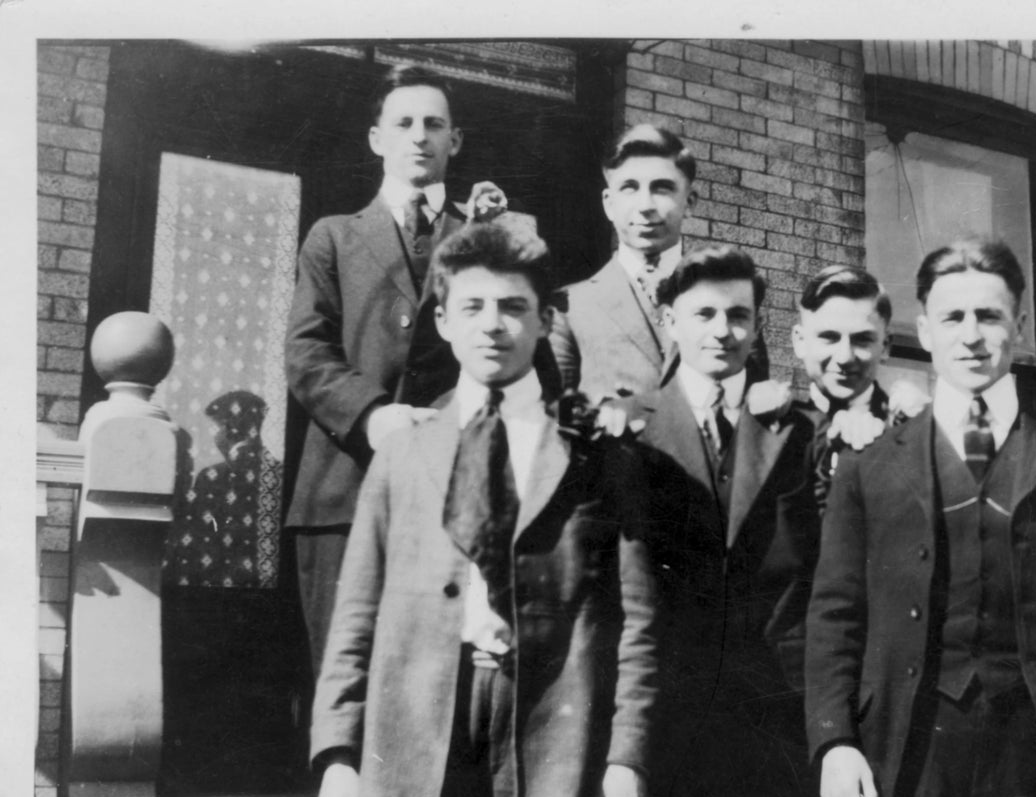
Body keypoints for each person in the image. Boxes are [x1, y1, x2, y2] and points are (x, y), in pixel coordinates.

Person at [310, 216, 659, 797]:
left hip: (552, 734)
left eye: (513, 307)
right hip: (414, 735)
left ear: (546, 321)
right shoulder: (404, 452)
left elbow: (635, 619)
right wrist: (339, 753)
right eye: (472, 306)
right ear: (443, 322)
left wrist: (626, 755)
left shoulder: (594, 456)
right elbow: (357, 613)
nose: (493, 325)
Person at [805, 236, 1036, 797]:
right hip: (907, 755)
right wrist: (835, 744)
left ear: (1018, 325)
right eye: (952, 317)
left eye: (988, 316)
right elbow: (836, 614)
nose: (971, 335)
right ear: (924, 330)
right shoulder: (870, 464)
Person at [285, 63, 508, 676]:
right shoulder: (332, 238)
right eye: (403, 123)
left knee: (432, 682)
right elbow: (306, 353)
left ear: (454, 141)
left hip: (451, 485)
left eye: (434, 124)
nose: (419, 136)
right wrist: (374, 417)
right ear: (377, 138)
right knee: (344, 675)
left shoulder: (482, 240)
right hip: (343, 489)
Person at [631, 246, 822, 797]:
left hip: (774, 714)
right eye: (704, 315)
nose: (723, 331)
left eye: (738, 316)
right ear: (670, 322)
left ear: (758, 325)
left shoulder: (798, 431)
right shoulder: (630, 429)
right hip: (668, 713)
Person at [549, 123, 764, 401]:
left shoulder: (733, 304)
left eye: (662, 189)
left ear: (689, 203)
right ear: (608, 204)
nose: (645, 205)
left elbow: (756, 422)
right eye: (629, 188)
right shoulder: (569, 309)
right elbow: (558, 423)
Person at [790, 263, 924, 506]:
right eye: (829, 337)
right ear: (800, 341)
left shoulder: (914, 432)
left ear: (885, 346)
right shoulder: (776, 432)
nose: (844, 357)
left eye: (862, 340)